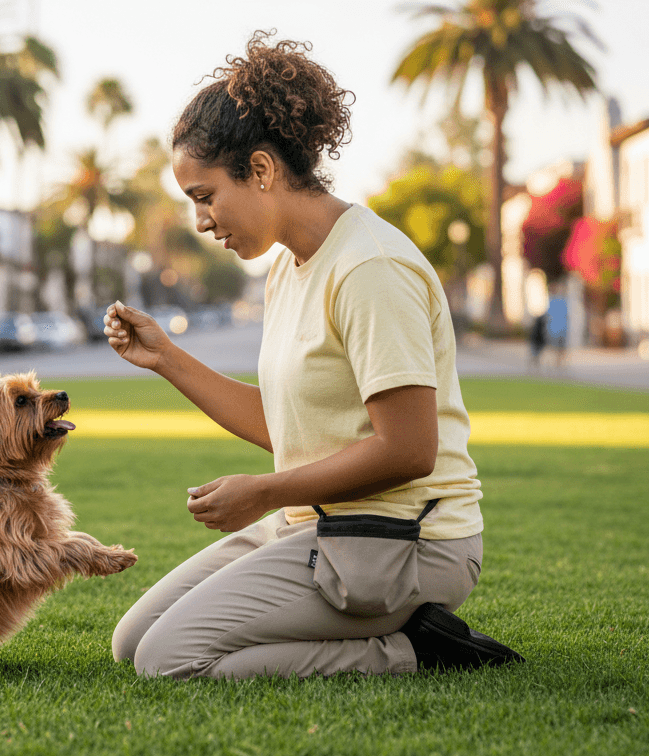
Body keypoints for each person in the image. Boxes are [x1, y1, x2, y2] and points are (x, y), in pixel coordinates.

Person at [103, 32, 522, 679]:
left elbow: (409, 448)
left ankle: (415, 649)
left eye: (204, 195)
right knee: (132, 641)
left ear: (263, 170)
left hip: (406, 542)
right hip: (316, 525)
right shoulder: (289, 268)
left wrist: (264, 492)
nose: (202, 220)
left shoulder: (369, 267)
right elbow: (290, 426)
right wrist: (167, 358)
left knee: (168, 659)